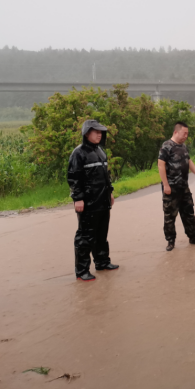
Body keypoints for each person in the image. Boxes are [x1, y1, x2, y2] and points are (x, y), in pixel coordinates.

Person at [67, 119, 119, 281]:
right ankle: (82, 271)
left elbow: (106, 176)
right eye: (96, 131)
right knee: (85, 237)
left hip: (102, 201)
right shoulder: (79, 153)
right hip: (88, 203)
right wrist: (78, 198)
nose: (99, 134)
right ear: (86, 133)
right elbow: (74, 178)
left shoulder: (100, 151)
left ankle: (102, 261)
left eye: (101, 132)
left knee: (101, 234)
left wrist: (109, 193)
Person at [158, 121, 195, 251]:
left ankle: (193, 237)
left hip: (184, 187)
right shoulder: (166, 146)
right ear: (176, 132)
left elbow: (189, 161)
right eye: (184, 133)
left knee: (189, 213)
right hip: (171, 188)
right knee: (170, 216)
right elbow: (160, 165)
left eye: (187, 133)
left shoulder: (183, 146)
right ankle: (170, 241)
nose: (186, 136)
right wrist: (166, 185)